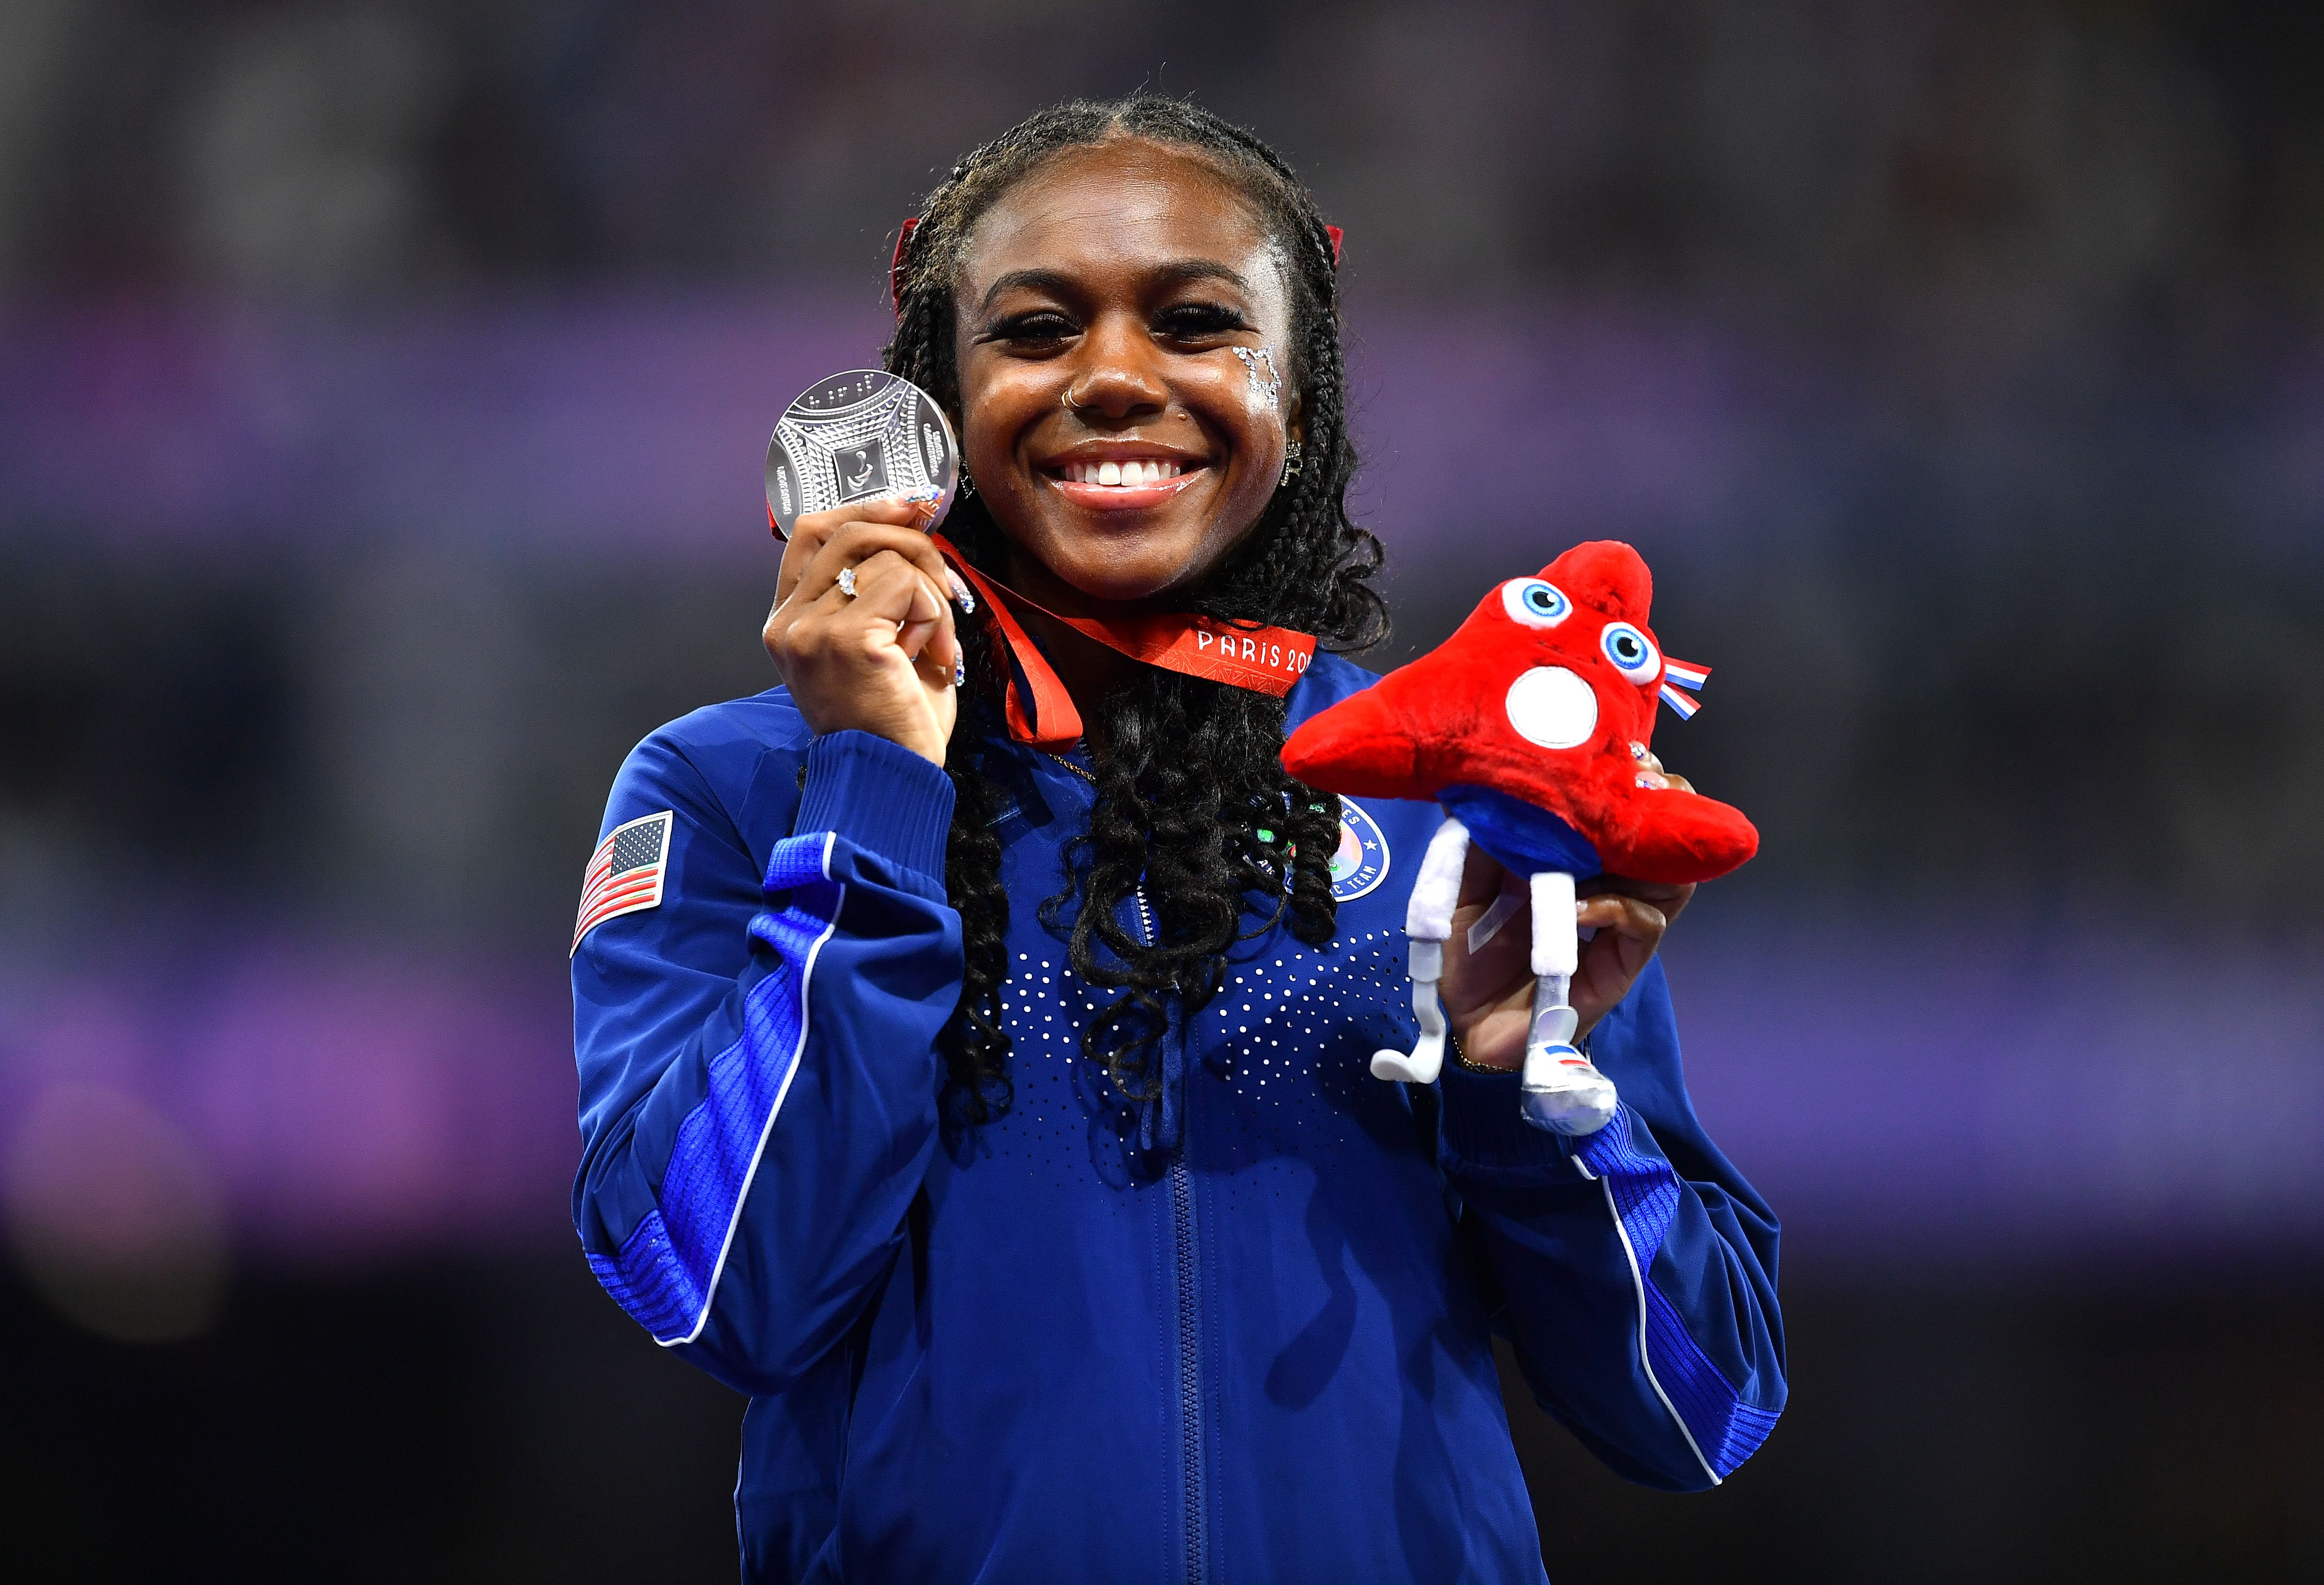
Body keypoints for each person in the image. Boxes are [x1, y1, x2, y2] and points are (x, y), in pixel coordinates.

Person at [571, 95, 1784, 1584]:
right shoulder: (733, 786)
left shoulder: (1470, 795)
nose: (1115, 378)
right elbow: (713, 1286)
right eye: (1034, 331)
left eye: (1197, 323)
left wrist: (1519, 1080)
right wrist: (875, 789)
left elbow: (1700, 1405)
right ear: (937, 402)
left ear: (1300, 384)